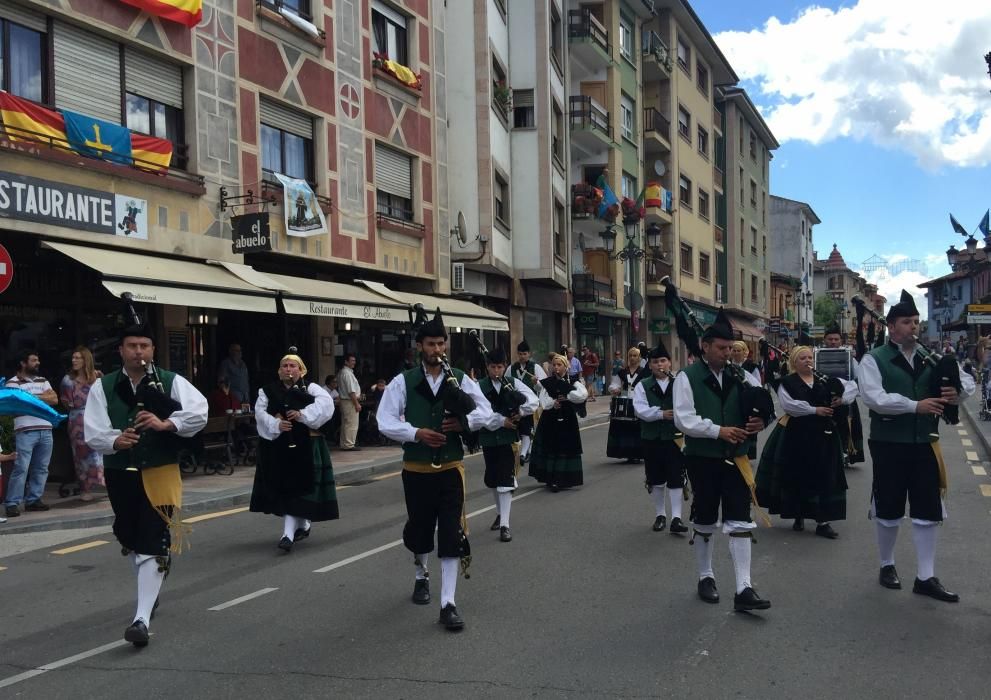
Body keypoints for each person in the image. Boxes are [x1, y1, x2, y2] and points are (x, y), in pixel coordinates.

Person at [84, 320, 208, 648]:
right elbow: (93, 431)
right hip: (120, 470)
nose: (138, 351)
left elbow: (199, 414)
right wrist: (116, 440)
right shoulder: (104, 386)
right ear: (121, 350)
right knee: (130, 534)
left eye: (144, 346)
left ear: (152, 349)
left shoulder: (169, 381)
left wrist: (165, 422)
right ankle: (149, 590)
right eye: (132, 346)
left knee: (153, 536)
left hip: (160, 469)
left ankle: (141, 618)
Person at [377, 308, 493, 631]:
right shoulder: (404, 382)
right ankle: (420, 575)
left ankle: (449, 603)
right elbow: (383, 421)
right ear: (420, 347)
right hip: (415, 468)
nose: (437, 350)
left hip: (450, 468)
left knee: (451, 532)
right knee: (420, 530)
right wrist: (415, 433)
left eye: (441, 343)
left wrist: (462, 422)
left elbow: (486, 411)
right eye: (431, 344)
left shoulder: (458, 378)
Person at [857, 290, 974, 603]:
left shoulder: (930, 357)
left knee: (927, 508)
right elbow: (874, 398)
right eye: (907, 322)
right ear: (891, 327)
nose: (914, 327)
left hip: (925, 442)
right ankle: (887, 565)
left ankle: (925, 576)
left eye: (916, 321)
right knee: (889, 506)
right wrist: (914, 406)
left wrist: (954, 394)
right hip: (888, 443)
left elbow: (966, 383)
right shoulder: (874, 359)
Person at [673, 309, 771, 612]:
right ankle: (706, 576)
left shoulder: (741, 375)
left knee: (740, 519)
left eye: (731, 349)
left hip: (736, 459)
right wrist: (719, 431)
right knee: (704, 517)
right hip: (703, 458)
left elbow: (762, 403)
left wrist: (760, 422)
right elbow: (684, 419)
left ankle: (744, 587)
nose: (727, 354)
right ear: (705, 346)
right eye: (721, 348)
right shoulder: (686, 378)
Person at [756, 345, 857, 539]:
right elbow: (789, 406)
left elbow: (852, 387)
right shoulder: (787, 382)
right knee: (799, 475)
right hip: (798, 434)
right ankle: (798, 514)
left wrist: (840, 400)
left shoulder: (824, 379)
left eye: (810, 357)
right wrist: (815, 410)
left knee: (824, 475)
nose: (807, 361)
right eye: (802, 358)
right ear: (794, 362)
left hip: (825, 434)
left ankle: (823, 521)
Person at [250, 350, 337, 552]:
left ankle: (289, 534)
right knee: (289, 488)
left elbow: (326, 406)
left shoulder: (312, 388)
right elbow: (260, 413)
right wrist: (275, 424)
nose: (289, 369)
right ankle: (299, 526)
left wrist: (302, 415)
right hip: (280, 447)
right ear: (279, 370)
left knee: (300, 488)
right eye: (285, 366)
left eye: (293, 366)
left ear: (301, 370)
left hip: (309, 443)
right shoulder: (268, 391)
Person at [478, 347, 538, 543]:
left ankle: (505, 525)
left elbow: (533, 401)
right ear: (487, 367)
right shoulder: (479, 386)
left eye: (500, 367)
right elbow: (476, 413)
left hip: (507, 439)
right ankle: (499, 513)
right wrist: (498, 421)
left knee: (505, 479)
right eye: (493, 367)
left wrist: (519, 411)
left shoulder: (512, 383)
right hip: (488, 439)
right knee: (493, 478)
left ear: (505, 367)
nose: (497, 371)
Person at [633, 340, 688, 534]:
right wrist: (660, 414)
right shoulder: (643, 385)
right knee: (656, 478)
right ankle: (660, 515)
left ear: (670, 363)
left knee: (676, 477)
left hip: (675, 438)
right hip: (652, 438)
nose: (659, 365)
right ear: (650, 365)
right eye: (655, 362)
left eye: (663, 361)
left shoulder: (679, 383)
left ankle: (676, 518)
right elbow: (639, 410)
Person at [4, 350, 59, 517]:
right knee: (21, 467)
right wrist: (42, 397)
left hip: (46, 429)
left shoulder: (43, 380)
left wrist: (30, 397)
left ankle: (33, 500)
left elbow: (55, 399)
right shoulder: (12, 383)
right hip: (25, 430)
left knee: (41, 468)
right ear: (23, 363)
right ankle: (12, 503)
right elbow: (20, 403)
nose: (38, 363)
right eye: (34, 360)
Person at [529, 353, 588, 491]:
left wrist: (567, 394)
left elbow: (582, 395)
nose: (556, 367)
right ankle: (550, 478)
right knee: (551, 446)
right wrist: (552, 403)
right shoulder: (548, 382)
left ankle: (563, 478)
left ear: (565, 367)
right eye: (554, 365)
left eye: (559, 365)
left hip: (567, 418)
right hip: (550, 419)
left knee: (564, 447)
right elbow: (542, 399)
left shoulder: (573, 381)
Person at [60, 346, 104, 501]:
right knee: (81, 454)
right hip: (78, 419)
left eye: (78, 357)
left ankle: (104, 482)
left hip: (97, 417)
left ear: (86, 360)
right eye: (73, 357)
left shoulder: (97, 377)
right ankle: (85, 488)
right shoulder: (68, 380)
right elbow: (66, 402)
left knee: (100, 450)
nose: (74, 360)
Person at [822, 324, 865, 466]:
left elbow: (858, 380)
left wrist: (844, 398)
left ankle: (845, 453)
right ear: (824, 340)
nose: (833, 342)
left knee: (845, 428)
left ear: (841, 341)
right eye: (830, 339)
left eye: (836, 339)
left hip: (845, 400)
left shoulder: (851, 359)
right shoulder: (816, 357)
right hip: (822, 401)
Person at [606, 347, 647, 463]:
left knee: (637, 429)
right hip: (625, 403)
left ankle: (638, 453)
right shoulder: (622, 372)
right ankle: (627, 453)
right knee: (625, 429)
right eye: (630, 356)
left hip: (639, 403)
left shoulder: (644, 372)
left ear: (639, 358)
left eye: (635, 356)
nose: (633, 358)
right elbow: (614, 384)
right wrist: (615, 389)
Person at [510, 339, 547, 464]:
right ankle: (522, 451)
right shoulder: (511, 368)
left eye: (524, 354)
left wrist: (536, 383)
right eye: (520, 354)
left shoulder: (535, 367)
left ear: (529, 354)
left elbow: (543, 386)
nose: (522, 356)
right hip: (515, 404)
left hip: (529, 404)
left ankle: (524, 453)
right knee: (517, 429)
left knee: (527, 428)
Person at [337, 353, 362, 451]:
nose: (354, 363)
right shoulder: (347, 373)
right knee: (351, 424)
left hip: (345, 401)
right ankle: (349, 444)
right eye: (352, 361)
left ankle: (344, 444)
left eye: (354, 361)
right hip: (349, 401)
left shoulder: (343, 372)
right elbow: (351, 391)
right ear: (346, 362)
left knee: (346, 423)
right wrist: (356, 404)